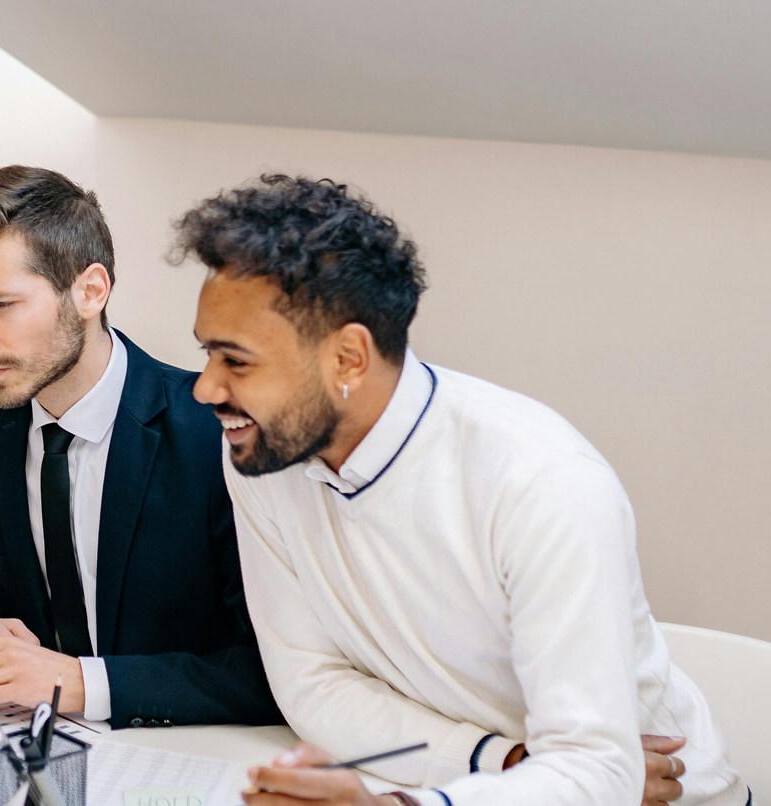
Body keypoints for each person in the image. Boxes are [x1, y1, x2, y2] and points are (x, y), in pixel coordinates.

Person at [174, 175, 746, 805]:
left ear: (348, 359)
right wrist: (505, 761)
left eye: (236, 361)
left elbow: (600, 772)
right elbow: (311, 683)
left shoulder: (541, 481)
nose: (205, 388)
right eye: (207, 354)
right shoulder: (264, 455)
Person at [0, 166, 281, 728]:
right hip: (11, 748)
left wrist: (80, 683)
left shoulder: (216, 434)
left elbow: (270, 671)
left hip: (176, 757)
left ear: (90, 291)